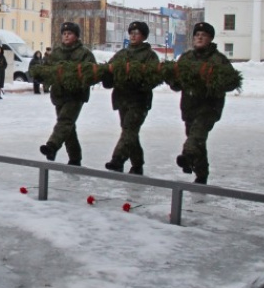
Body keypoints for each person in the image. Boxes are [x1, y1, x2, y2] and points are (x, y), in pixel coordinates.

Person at [170, 22, 238, 184]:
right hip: (189, 107)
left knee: (196, 136)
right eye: (197, 35)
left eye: (204, 35)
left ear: (210, 39)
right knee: (197, 140)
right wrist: (174, 79)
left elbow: (232, 81)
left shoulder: (218, 60)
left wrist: (213, 80)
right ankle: (201, 173)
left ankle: (187, 157)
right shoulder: (186, 58)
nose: (199, 37)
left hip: (209, 108)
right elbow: (176, 83)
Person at [101, 21, 160, 175]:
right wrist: (107, 78)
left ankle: (117, 160)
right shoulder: (122, 54)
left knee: (129, 130)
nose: (133, 36)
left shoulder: (149, 55)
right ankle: (137, 164)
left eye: (137, 33)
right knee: (130, 131)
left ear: (144, 36)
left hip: (139, 100)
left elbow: (154, 77)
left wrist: (140, 83)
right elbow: (109, 71)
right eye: (131, 33)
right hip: (122, 99)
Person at [40, 22, 95, 165]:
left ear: (76, 36)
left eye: (69, 33)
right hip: (59, 94)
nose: (66, 36)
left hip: (76, 94)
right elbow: (46, 69)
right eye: (64, 34)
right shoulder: (56, 53)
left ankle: (52, 146)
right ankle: (75, 158)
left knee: (65, 121)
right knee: (68, 128)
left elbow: (93, 73)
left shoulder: (84, 53)